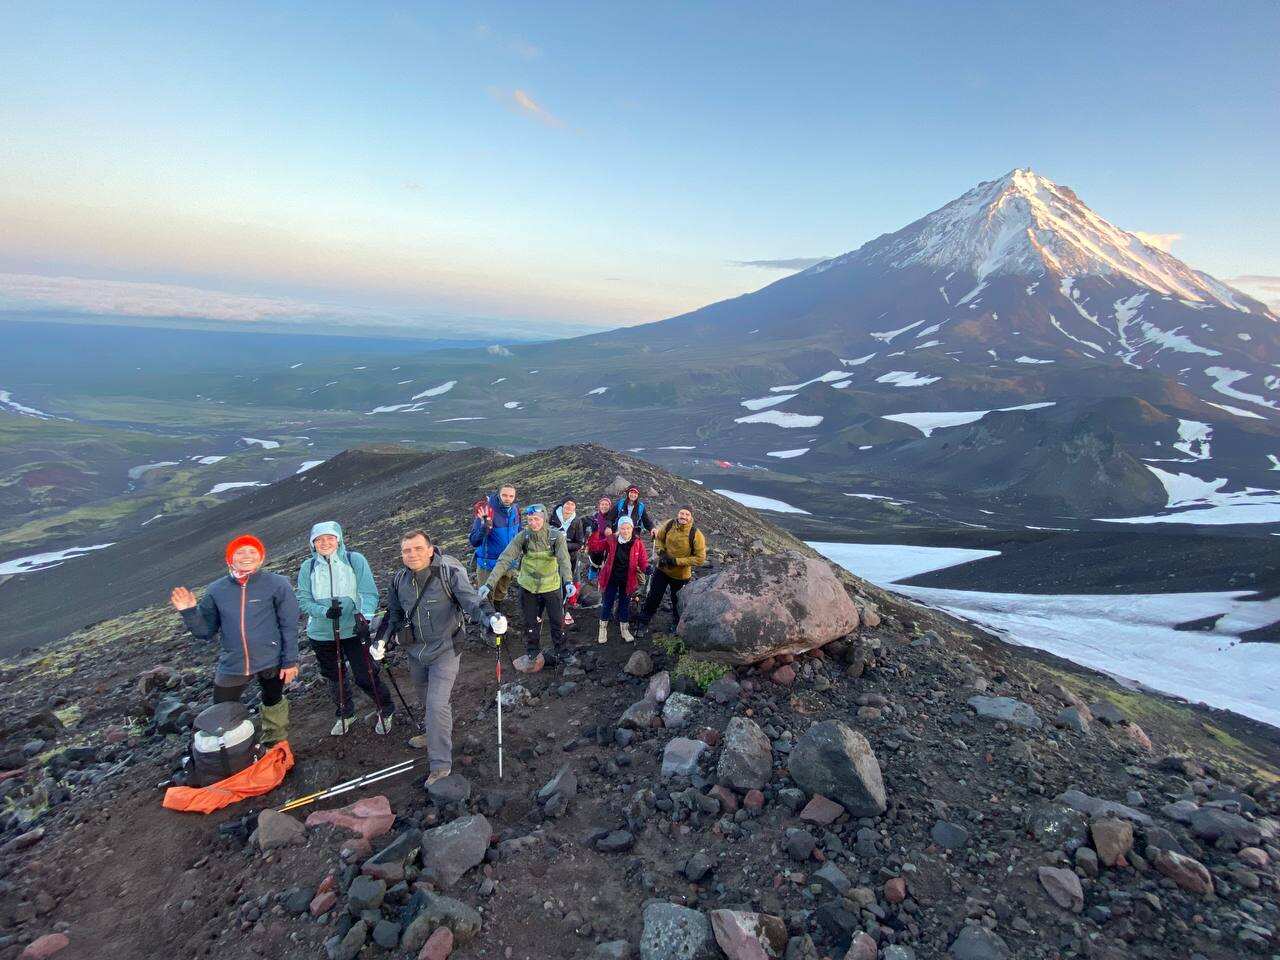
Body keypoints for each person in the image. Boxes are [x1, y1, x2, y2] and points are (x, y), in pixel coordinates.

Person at [384, 529, 505, 786]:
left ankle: (440, 765)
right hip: (416, 652)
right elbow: (393, 614)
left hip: (446, 649)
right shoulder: (399, 580)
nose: (412, 554)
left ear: (430, 550)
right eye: (407, 550)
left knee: (437, 703)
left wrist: (491, 618)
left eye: (418, 548)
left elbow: (472, 602)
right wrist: (381, 640)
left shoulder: (449, 574)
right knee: (426, 699)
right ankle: (434, 734)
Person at [170, 535, 300, 744]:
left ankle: (275, 742)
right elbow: (205, 631)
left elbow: (289, 624)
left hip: (271, 659)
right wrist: (189, 612)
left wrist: (290, 661)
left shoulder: (277, 584)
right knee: (221, 708)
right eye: (240, 552)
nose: (247, 556)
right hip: (233, 662)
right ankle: (231, 747)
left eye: (252, 552)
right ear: (230, 559)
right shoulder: (216, 590)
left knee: (273, 699)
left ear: (261, 558)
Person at [295, 521, 394, 736]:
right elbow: (303, 600)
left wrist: (364, 617)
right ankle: (345, 713)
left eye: (330, 538)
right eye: (319, 539)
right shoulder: (307, 567)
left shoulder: (354, 560)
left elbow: (369, 593)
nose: (325, 543)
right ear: (312, 543)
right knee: (334, 677)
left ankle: (386, 708)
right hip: (321, 634)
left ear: (338, 540)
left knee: (365, 674)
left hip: (353, 630)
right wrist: (324, 612)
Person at [482, 504, 575, 673]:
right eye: (530, 520)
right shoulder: (522, 537)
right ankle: (533, 652)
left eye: (536, 519)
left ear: (544, 518)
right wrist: (489, 583)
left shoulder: (556, 537)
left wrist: (568, 581)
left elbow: (564, 560)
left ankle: (562, 652)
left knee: (557, 621)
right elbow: (505, 559)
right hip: (528, 587)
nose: (533, 523)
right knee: (530, 622)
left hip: (551, 586)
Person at [635, 506, 707, 634]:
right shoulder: (669, 524)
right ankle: (644, 620)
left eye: (687, 514)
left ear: (691, 517)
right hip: (662, 569)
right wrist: (661, 552)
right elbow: (659, 538)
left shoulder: (696, 534)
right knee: (654, 596)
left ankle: (677, 623)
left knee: (677, 600)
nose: (683, 516)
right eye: (682, 513)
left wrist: (676, 561)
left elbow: (700, 559)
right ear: (678, 514)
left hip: (681, 575)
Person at [592, 514, 649, 644]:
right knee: (607, 603)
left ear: (632, 528)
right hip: (611, 577)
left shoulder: (637, 543)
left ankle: (625, 629)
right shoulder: (612, 539)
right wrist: (596, 532)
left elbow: (642, 560)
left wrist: (646, 568)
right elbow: (597, 546)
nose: (625, 531)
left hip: (627, 579)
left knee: (624, 604)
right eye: (623, 528)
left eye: (628, 528)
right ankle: (602, 629)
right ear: (619, 529)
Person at [468, 484, 522, 604]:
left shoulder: (515, 510)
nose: (508, 499)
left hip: (508, 562)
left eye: (511, 496)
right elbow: (474, 541)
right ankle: (489, 615)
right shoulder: (487, 511)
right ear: (498, 495)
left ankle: (498, 612)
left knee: (501, 593)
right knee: (485, 597)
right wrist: (484, 527)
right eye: (504, 495)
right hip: (488, 564)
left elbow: (519, 532)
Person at [551, 497, 589, 624]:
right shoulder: (553, 518)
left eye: (572, 504)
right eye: (567, 504)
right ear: (562, 505)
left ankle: (564, 610)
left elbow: (579, 543)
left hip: (569, 559)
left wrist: (563, 545)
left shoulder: (577, 521)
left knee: (566, 583)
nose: (569, 506)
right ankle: (551, 610)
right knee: (552, 583)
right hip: (552, 558)